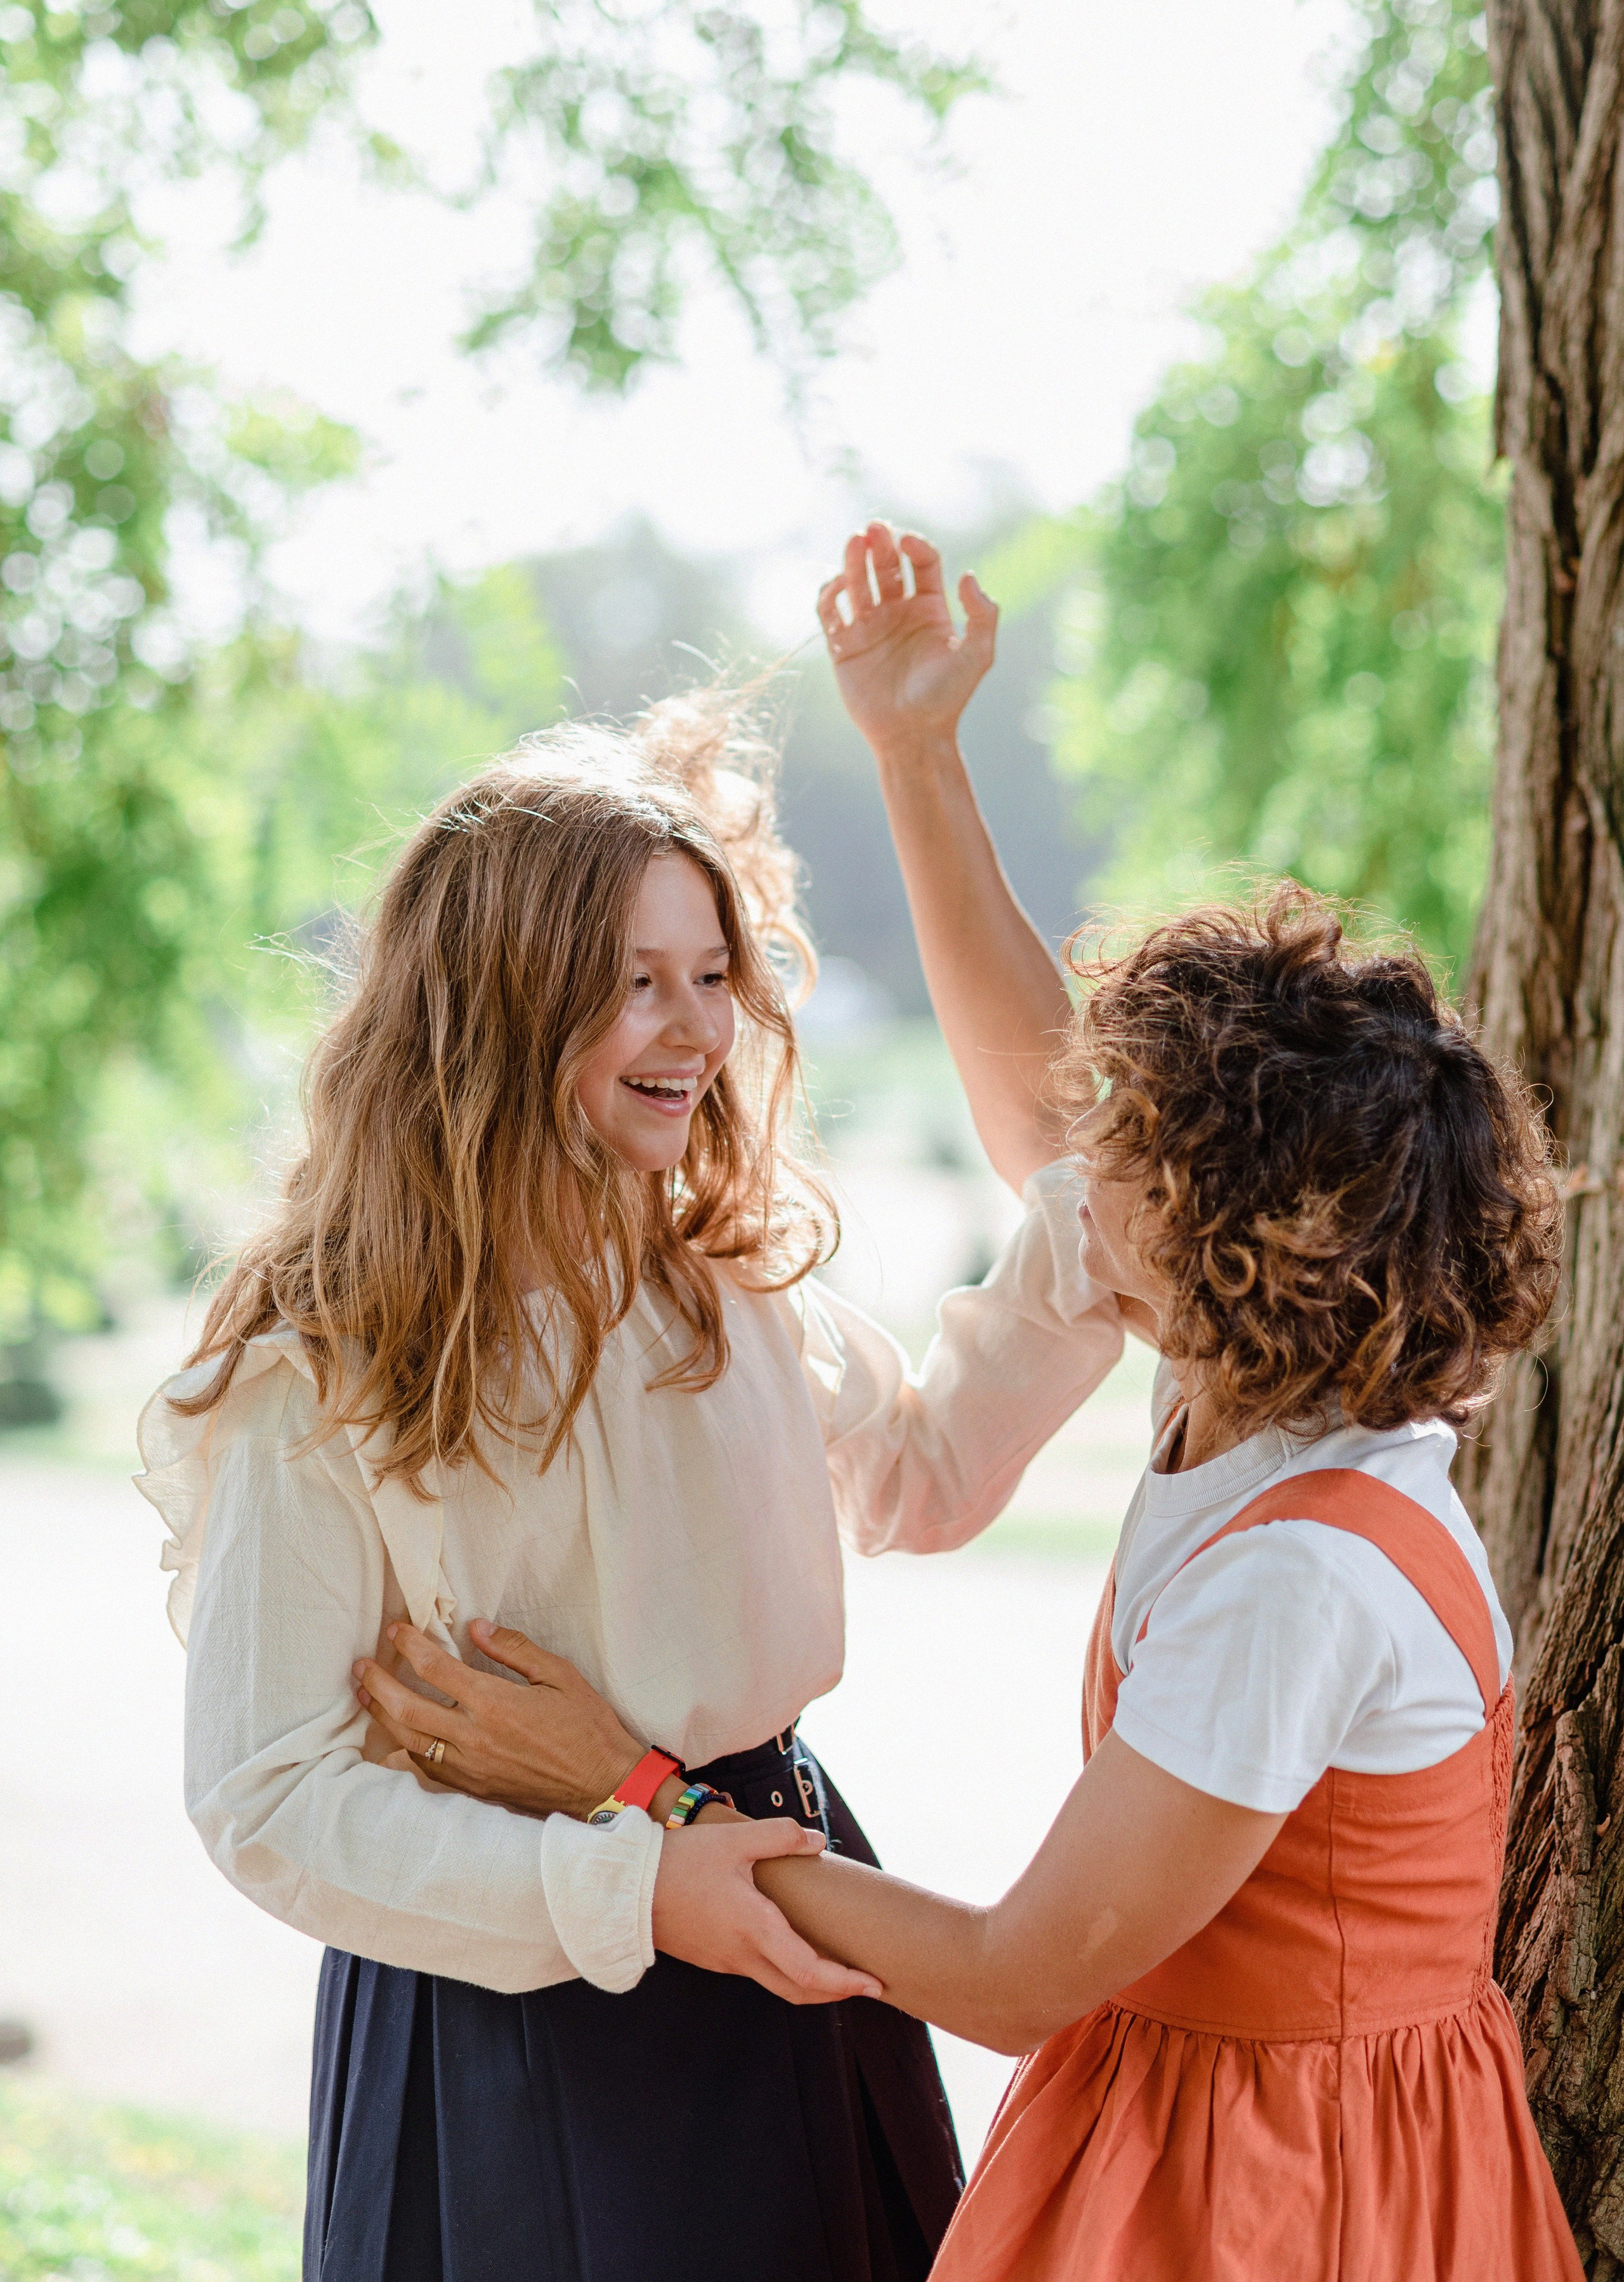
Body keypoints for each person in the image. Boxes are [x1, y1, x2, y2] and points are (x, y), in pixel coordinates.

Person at [366, 528, 1583, 2280]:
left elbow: (1015, 1975)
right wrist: (916, 751)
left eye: (1133, 1148)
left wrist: (628, 1787)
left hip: (1287, 2193)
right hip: (1215, 2112)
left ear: (1232, 1252)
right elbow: (1041, 1112)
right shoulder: (1275, 1394)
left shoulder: (1299, 1578)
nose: (1077, 1171)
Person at [135, 688, 1130, 2282]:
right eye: (633, 982)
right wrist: (632, 1885)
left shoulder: (722, 1280)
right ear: (498, 1004)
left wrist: (1092, 1230)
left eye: (712, 975)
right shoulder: (325, 1370)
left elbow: (920, 1473)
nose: (695, 1029)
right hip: (508, 2006)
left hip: (785, 1907)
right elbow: (269, 1794)